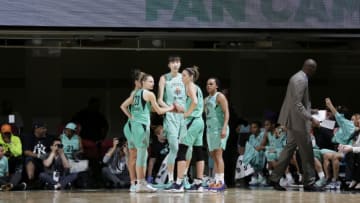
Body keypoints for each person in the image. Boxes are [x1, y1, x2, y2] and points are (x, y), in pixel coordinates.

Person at [268, 59, 321, 191]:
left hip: (293, 121)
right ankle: (309, 182)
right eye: (314, 69)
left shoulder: (296, 77)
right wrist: (311, 118)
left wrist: (311, 110)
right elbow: (297, 104)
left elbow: (296, 102)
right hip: (299, 123)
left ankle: (274, 177)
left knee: (288, 150)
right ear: (311, 68)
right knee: (307, 151)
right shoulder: (301, 79)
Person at [121, 73, 174, 192]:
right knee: (142, 155)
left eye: (153, 81)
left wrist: (131, 117)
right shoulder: (150, 94)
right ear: (142, 82)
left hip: (130, 127)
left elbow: (123, 106)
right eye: (150, 81)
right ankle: (141, 183)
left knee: (133, 155)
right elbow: (159, 111)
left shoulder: (135, 93)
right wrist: (171, 108)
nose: (153, 83)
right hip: (140, 127)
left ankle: (133, 184)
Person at [166, 66, 205, 192]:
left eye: (184, 75)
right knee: (199, 152)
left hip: (192, 122)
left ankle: (178, 184)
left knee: (182, 151)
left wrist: (187, 114)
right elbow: (197, 104)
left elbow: (193, 101)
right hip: (199, 121)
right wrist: (182, 110)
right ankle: (199, 183)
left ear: (191, 77)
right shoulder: (198, 88)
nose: (181, 77)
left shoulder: (190, 86)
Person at [157, 56, 187, 188]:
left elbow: (190, 96)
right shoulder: (164, 78)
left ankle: (183, 178)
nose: (175, 64)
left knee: (187, 148)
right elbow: (159, 100)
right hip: (170, 116)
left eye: (177, 62)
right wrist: (171, 108)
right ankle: (170, 179)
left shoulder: (184, 77)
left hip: (184, 116)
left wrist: (186, 111)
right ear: (169, 65)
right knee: (174, 147)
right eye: (173, 62)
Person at [204, 77, 230, 192]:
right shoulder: (206, 99)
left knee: (219, 156)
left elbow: (226, 113)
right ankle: (216, 180)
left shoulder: (220, 96)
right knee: (213, 156)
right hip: (210, 130)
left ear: (216, 86)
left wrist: (224, 127)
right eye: (207, 84)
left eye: (211, 84)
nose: (208, 86)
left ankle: (221, 181)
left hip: (220, 129)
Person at [122, 69, 145, 192]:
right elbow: (123, 106)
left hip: (134, 127)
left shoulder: (141, 92)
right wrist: (131, 117)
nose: (144, 81)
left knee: (137, 156)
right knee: (136, 156)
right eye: (142, 79)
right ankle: (136, 182)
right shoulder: (136, 93)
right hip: (132, 127)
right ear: (137, 82)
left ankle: (137, 183)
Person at [23, 122, 53, 188]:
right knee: (29, 159)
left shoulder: (48, 138)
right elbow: (26, 152)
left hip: (45, 161)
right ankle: (30, 182)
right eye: (43, 128)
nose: (45, 130)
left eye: (45, 128)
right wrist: (39, 156)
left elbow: (52, 150)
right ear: (36, 129)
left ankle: (49, 182)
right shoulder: (29, 137)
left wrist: (48, 155)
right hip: (34, 159)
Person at [0, 124, 26, 191]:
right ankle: (16, 187)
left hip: (12, 160)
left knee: (17, 173)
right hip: (2, 160)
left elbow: (18, 152)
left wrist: (9, 143)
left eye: (8, 133)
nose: (7, 135)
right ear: (1, 133)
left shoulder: (16, 139)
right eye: (5, 133)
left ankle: (9, 185)